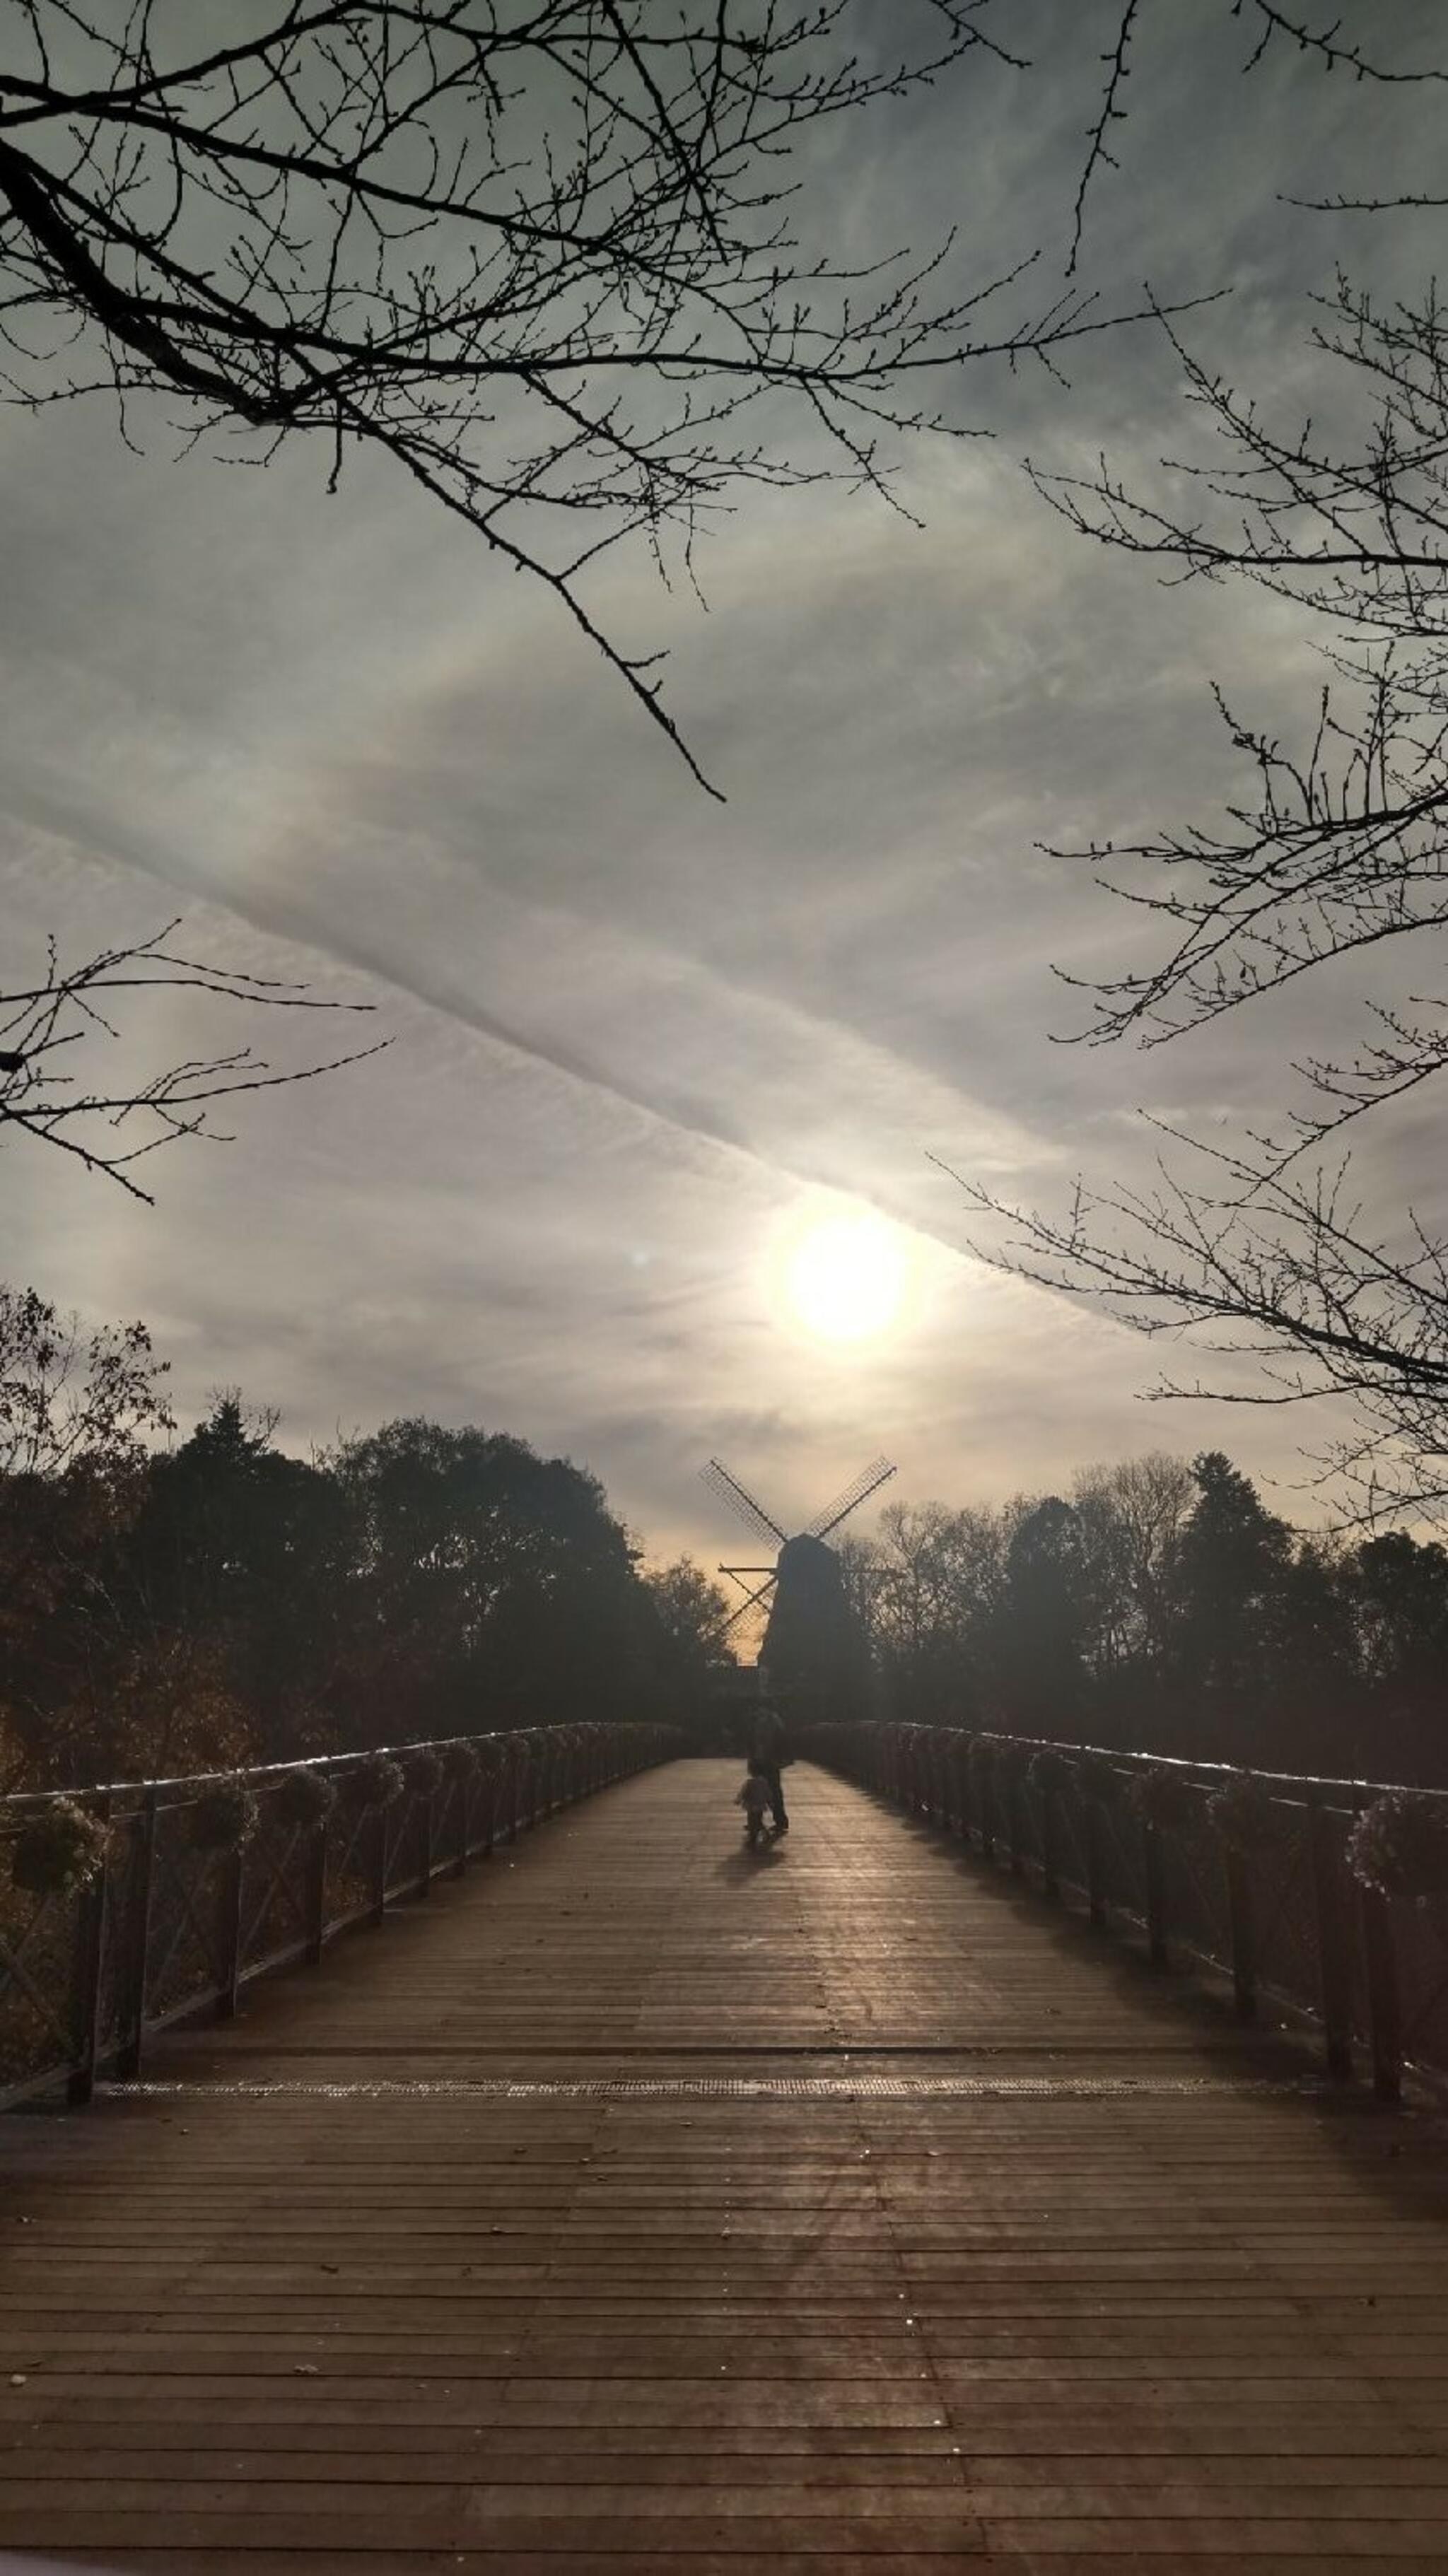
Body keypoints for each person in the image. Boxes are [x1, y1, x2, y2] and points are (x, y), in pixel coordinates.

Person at [747, 1699, 789, 1833]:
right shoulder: (758, 1721)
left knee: (774, 1792)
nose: (759, 1710)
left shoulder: (773, 1721)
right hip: (760, 1761)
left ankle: (780, 1820)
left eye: (761, 1707)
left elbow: (778, 1741)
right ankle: (756, 1821)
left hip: (770, 1762)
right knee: (758, 1791)